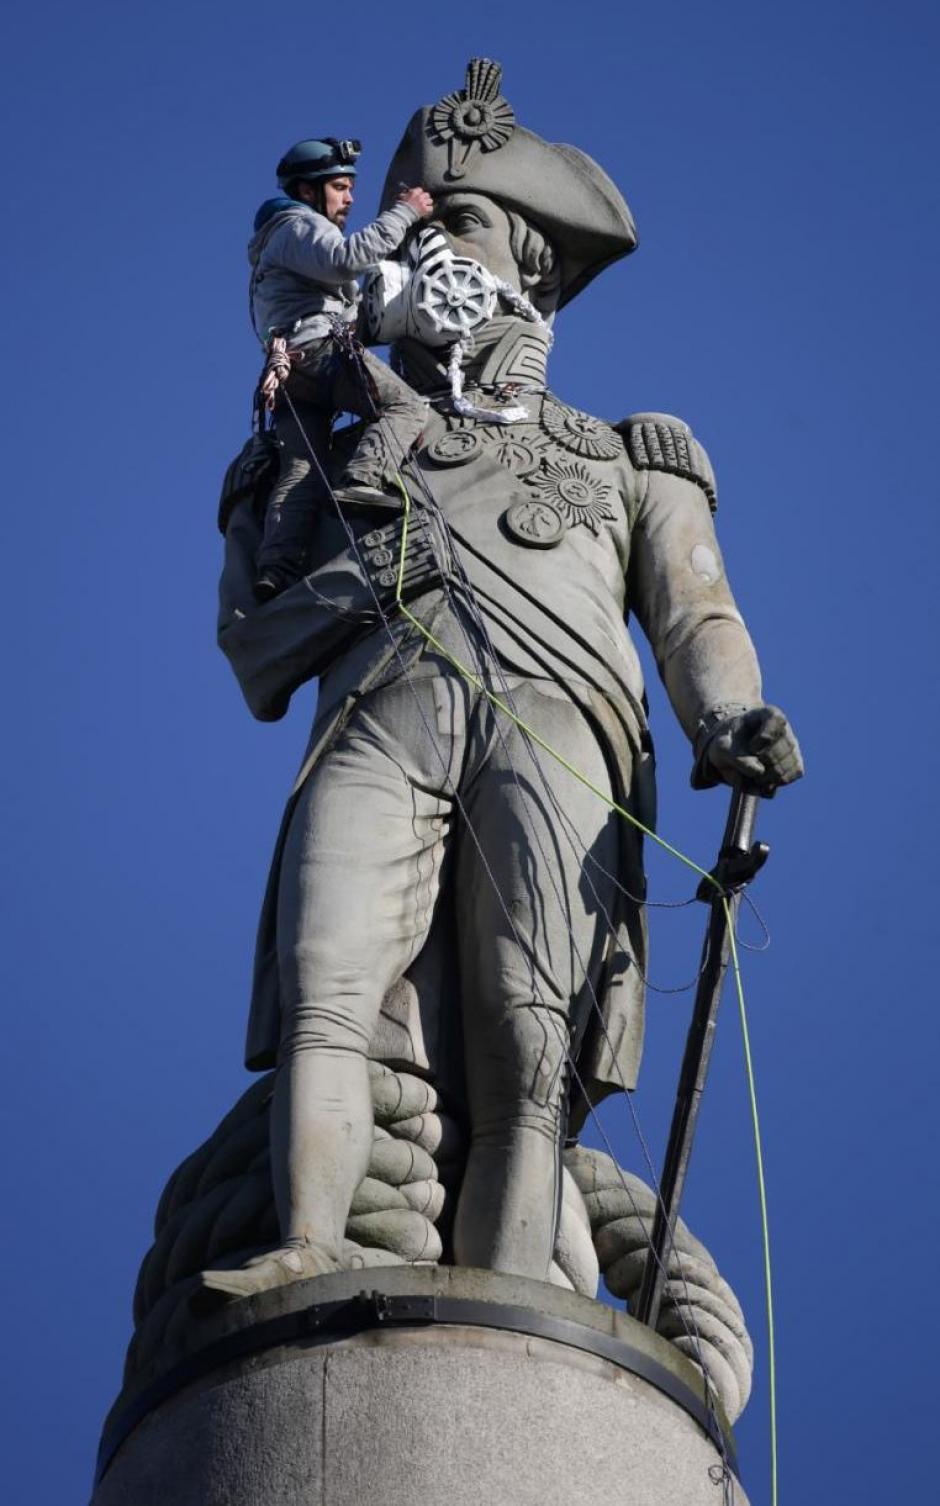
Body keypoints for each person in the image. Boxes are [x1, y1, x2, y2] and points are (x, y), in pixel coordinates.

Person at [204, 62, 803, 1300]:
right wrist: (318, 523)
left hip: (561, 727)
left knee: (527, 1043)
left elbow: (697, 613)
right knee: (332, 979)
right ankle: (309, 1245)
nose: (426, 248)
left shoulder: (633, 457)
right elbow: (250, 642)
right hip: (381, 719)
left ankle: (513, 1302)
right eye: (419, 225)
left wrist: (731, 718)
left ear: (529, 266)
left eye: (459, 225)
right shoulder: (337, 438)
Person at [248, 137, 434, 601]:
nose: (349, 197)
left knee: (300, 468)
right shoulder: (297, 226)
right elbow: (346, 259)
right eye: (339, 186)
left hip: (293, 373)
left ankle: (277, 568)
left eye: (351, 187)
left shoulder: (277, 245)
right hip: (320, 352)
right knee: (406, 407)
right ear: (308, 192)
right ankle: (364, 480)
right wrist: (406, 212)